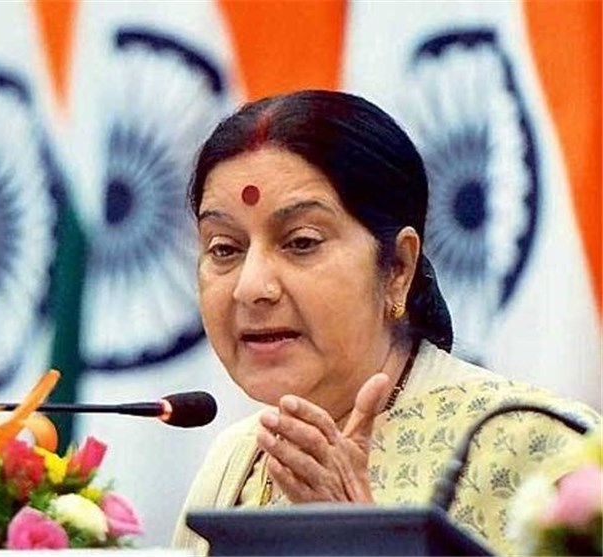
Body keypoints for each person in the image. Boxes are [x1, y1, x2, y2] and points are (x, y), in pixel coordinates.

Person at [171, 90, 600, 555]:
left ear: (397, 267)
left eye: (301, 242)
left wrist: (361, 541)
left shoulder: (539, 446)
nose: (251, 286)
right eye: (224, 248)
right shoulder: (236, 459)